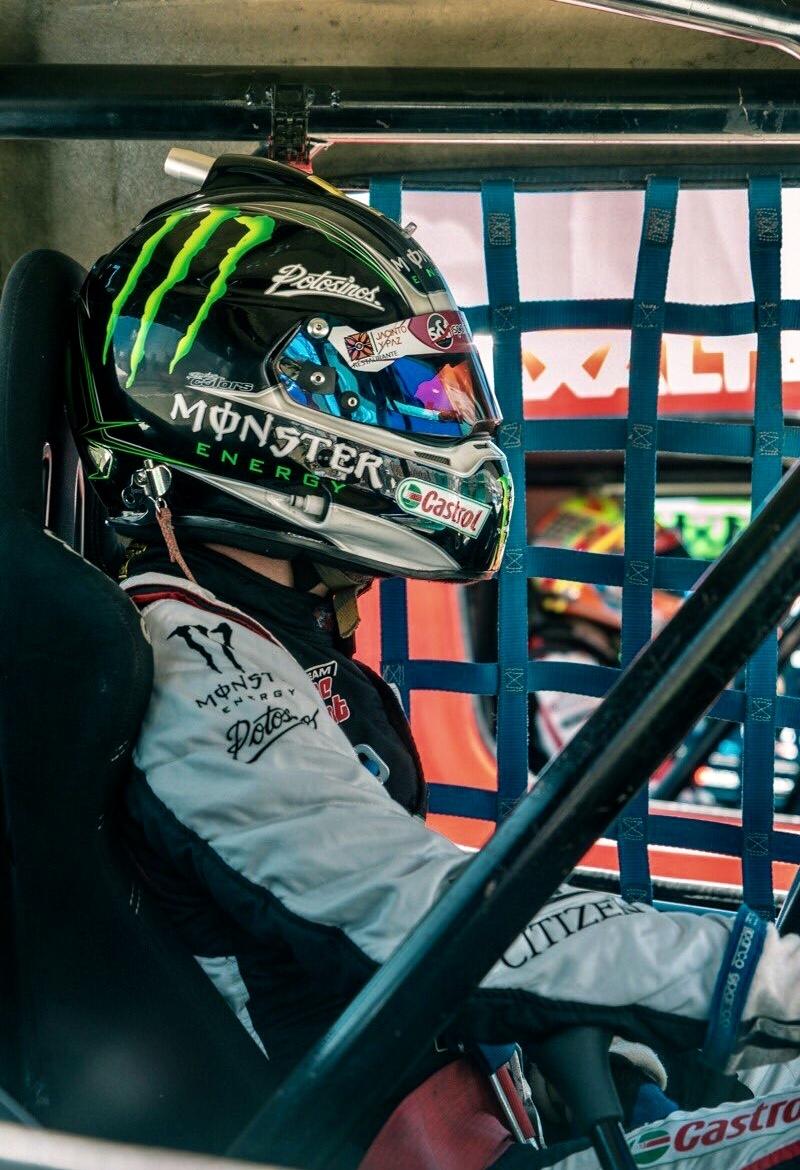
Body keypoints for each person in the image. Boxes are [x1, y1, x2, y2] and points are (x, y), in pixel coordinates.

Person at [68, 154, 800, 1170]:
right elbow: (412, 917)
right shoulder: (191, 660)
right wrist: (764, 981)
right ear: (265, 407)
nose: (451, 425)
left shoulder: (265, 634)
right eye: (411, 393)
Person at [528, 493, 683, 770]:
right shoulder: (564, 667)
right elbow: (613, 770)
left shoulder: (599, 652)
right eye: (652, 576)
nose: (670, 593)